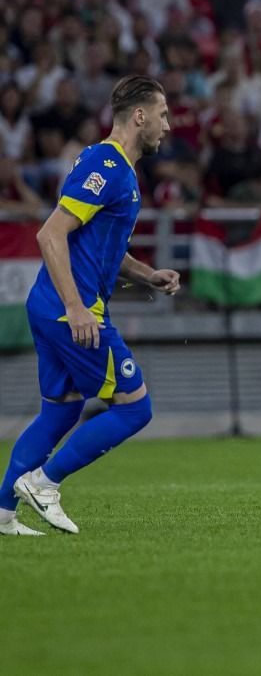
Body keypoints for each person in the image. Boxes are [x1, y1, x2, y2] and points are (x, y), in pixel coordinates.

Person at [0, 75, 176, 536]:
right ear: (139, 116)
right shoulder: (106, 163)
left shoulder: (115, 167)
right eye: (162, 115)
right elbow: (50, 234)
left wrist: (147, 274)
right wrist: (77, 309)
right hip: (71, 310)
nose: (168, 126)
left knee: (60, 411)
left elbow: (99, 249)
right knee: (135, 408)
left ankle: (1, 513)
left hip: (50, 303)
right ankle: (43, 483)